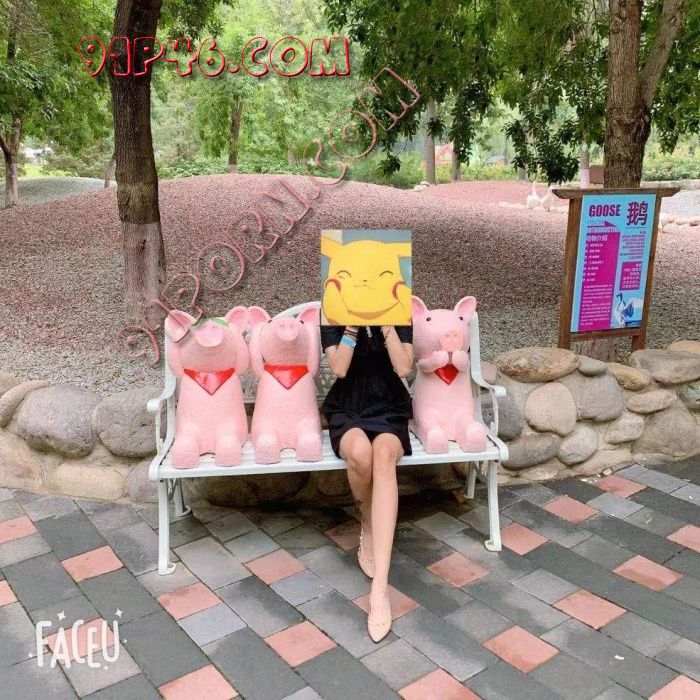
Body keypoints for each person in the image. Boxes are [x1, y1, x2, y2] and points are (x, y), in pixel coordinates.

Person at [321, 323, 413, 642]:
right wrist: (352, 326)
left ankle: (379, 589)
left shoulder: (397, 308)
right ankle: (369, 522)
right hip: (347, 406)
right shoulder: (334, 308)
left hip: (389, 406)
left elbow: (404, 367)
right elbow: (339, 368)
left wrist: (386, 324)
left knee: (383, 456)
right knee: (361, 453)